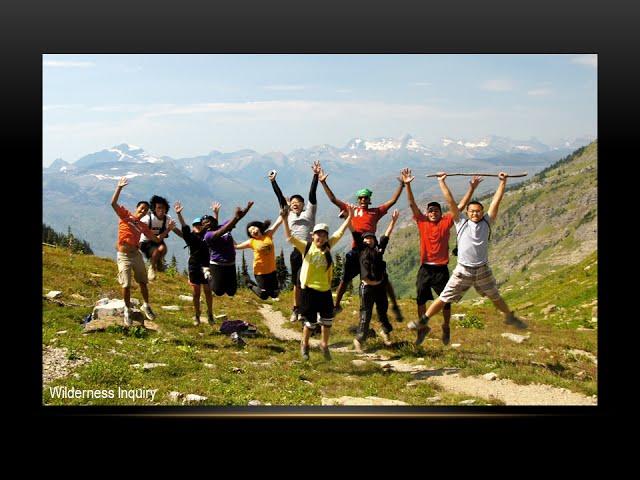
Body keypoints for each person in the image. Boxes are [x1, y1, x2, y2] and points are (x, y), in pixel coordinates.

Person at [409, 172, 529, 346]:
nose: (475, 213)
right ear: (466, 212)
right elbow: (450, 201)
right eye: (472, 211)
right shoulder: (460, 221)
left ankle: (509, 317)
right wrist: (442, 182)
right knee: (444, 297)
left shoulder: (487, 221)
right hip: (463, 270)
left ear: (482, 212)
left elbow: (496, 201)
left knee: (495, 296)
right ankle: (424, 320)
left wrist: (502, 182)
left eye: (478, 211)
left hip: (482, 269)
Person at [403, 169, 482, 345]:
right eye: (430, 211)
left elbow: (459, 206)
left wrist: (472, 188)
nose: (433, 213)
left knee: (446, 301)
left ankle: (446, 326)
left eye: (436, 210)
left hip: (441, 269)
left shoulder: (446, 221)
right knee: (420, 299)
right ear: (427, 212)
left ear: (440, 212)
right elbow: (411, 203)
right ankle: (422, 328)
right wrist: (407, 185)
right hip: (425, 268)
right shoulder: (421, 221)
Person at [318, 167, 406, 320]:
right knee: (345, 279)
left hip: (370, 252)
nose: (364, 200)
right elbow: (333, 199)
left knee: (379, 279)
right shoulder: (352, 209)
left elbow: (393, 201)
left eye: (366, 198)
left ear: (369, 199)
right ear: (358, 200)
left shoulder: (375, 212)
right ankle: (336, 305)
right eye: (361, 198)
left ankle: (387, 307)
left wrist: (402, 185)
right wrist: (323, 182)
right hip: (356, 249)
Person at [282, 204, 353, 361]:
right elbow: (290, 238)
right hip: (308, 291)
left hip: (325, 291)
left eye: (323, 235)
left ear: (326, 237)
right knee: (310, 323)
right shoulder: (306, 247)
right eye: (318, 235)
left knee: (327, 321)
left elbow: (340, 232)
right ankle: (305, 345)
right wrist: (284, 220)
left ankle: (324, 345)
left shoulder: (328, 246)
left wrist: (350, 217)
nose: (320, 238)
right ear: (312, 236)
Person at [174, 201, 252, 326]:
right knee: (196, 293)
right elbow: (184, 227)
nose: (198, 226)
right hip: (194, 266)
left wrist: (216, 214)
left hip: (207, 265)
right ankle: (197, 315)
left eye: (199, 224)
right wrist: (179, 215)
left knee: (208, 292)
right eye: (195, 225)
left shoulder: (207, 235)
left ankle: (210, 314)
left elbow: (217, 228)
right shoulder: (191, 237)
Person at [110, 177, 172, 327]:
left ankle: (146, 305)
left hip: (136, 254)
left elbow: (156, 240)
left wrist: (168, 230)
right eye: (141, 208)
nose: (143, 211)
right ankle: (127, 309)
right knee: (126, 284)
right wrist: (119, 188)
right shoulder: (125, 216)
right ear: (136, 208)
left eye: (145, 209)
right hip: (124, 255)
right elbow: (113, 203)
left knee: (143, 282)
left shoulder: (143, 226)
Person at [269, 161, 320, 322]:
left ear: (303, 205)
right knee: (297, 283)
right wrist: (273, 182)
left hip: (311, 250)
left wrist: (315, 176)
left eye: (298, 203)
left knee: (312, 282)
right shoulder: (288, 214)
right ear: (290, 206)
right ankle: (296, 309)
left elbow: (312, 194)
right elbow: (279, 197)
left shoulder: (309, 212)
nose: (295, 204)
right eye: (292, 203)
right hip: (296, 253)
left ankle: (312, 310)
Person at [352, 210, 400, 353]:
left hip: (379, 287)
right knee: (365, 315)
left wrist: (393, 221)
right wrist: (349, 218)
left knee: (382, 312)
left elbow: (386, 235)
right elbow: (353, 231)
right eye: (366, 239)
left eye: (371, 238)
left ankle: (385, 334)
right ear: (362, 242)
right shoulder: (361, 251)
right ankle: (358, 340)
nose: (368, 240)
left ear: (374, 241)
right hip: (367, 288)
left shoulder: (379, 250)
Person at [203, 201, 254, 297]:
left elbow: (238, 218)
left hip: (230, 263)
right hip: (217, 264)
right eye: (204, 224)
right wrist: (235, 217)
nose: (206, 224)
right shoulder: (208, 236)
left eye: (208, 222)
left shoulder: (223, 225)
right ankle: (207, 274)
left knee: (231, 292)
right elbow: (224, 230)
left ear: (214, 221)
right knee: (218, 292)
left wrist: (247, 208)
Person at [235, 213, 284, 300]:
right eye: (250, 232)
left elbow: (279, 222)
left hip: (272, 270)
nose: (253, 231)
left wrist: (283, 211)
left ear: (259, 227)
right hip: (260, 272)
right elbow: (236, 246)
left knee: (275, 294)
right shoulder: (251, 242)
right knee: (264, 295)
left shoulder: (268, 234)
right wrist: (227, 233)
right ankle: (249, 283)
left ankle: (270, 291)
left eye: (253, 228)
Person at [139, 194, 183, 281]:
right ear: (154, 208)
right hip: (145, 242)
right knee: (156, 250)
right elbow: (138, 230)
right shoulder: (148, 219)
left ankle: (158, 261)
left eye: (163, 208)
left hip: (157, 241)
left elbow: (176, 230)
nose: (161, 210)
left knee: (162, 248)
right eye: (159, 207)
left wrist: (187, 237)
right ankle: (152, 268)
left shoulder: (167, 219)